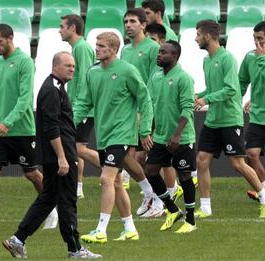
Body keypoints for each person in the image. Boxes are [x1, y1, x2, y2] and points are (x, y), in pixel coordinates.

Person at [3, 52, 101, 259]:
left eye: (74, 66)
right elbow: (51, 127)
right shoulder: (51, 90)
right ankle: (75, 249)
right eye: (68, 66)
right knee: (67, 201)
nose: (72, 69)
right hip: (61, 155)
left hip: (56, 155)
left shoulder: (55, 88)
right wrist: (62, 157)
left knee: (48, 199)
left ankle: (17, 240)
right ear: (55, 66)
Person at [0, 24, 57, 233]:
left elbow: (25, 98)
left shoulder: (25, 62)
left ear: (10, 38)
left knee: (32, 174)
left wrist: (7, 122)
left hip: (21, 130)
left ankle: (52, 210)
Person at [74, 32, 153, 243]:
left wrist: (144, 129)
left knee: (105, 179)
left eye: (101, 46)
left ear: (113, 49)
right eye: (96, 45)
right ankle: (130, 228)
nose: (96, 49)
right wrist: (69, 124)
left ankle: (101, 230)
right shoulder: (92, 72)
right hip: (103, 134)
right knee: (116, 182)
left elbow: (145, 99)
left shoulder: (127, 71)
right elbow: (84, 102)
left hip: (122, 133)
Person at [194, 19, 265, 218]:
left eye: (198, 35)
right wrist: (198, 96)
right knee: (201, 160)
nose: (195, 38)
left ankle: (264, 198)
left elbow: (231, 89)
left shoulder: (227, 59)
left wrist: (206, 99)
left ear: (207, 36)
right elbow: (213, 88)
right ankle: (206, 207)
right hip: (212, 120)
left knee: (238, 164)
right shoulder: (206, 60)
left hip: (229, 120)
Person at [146, 40, 197, 233]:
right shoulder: (156, 76)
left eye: (163, 53)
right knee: (150, 170)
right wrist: (148, 130)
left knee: (184, 176)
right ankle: (173, 210)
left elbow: (187, 108)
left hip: (181, 138)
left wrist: (177, 135)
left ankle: (191, 221)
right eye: (159, 52)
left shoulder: (183, 78)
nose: (159, 55)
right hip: (160, 137)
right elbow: (150, 104)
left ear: (174, 57)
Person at [121, 8, 165, 217]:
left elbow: (154, 81)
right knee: (129, 156)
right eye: (126, 22)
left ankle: (158, 199)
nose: (128, 25)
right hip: (129, 110)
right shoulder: (125, 50)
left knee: (153, 155)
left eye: (132, 21)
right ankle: (150, 192)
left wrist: (143, 110)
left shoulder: (153, 48)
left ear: (143, 25)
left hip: (148, 109)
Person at [59, 14, 97, 199]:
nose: (60, 30)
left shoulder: (82, 48)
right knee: (76, 147)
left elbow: (85, 78)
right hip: (78, 106)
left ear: (72, 28)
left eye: (62, 26)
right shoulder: (77, 48)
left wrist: (78, 105)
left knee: (77, 148)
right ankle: (78, 187)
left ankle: (112, 167)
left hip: (83, 108)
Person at [239, 21, 265, 202]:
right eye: (255, 39)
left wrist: (262, 58)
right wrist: (239, 100)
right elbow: (241, 82)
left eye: (261, 39)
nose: (257, 43)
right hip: (258, 115)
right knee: (251, 154)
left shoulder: (259, 58)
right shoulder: (250, 57)